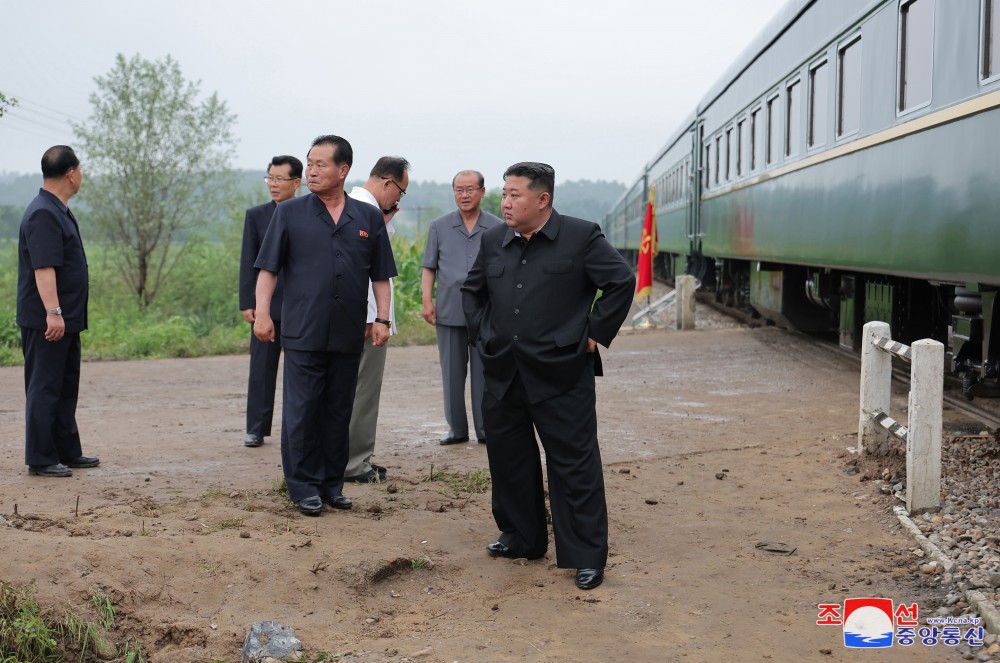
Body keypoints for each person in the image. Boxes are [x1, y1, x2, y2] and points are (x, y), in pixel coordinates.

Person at [461, 162, 635, 590]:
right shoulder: (492, 241)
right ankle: (521, 538)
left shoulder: (580, 236)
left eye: (515, 194)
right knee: (509, 462)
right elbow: (472, 291)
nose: (505, 202)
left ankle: (585, 556)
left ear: (543, 199)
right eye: (503, 193)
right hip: (504, 373)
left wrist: (594, 332)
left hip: (561, 375)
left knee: (574, 467)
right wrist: (485, 337)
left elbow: (620, 281)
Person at [252, 135, 396, 516]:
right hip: (302, 330)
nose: (311, 171)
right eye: (309, 163)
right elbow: (267, 269)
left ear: (343, 170)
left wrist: (382, 318)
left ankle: (332, 484)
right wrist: (263, 314)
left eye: (320, 164)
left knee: (338, 410)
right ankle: (302, 486)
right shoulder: (291, 213)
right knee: (302, 410)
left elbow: (380, 275)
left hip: (349, 331)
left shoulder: (366, 218)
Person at [16, 145, 100, 478]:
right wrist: (53, 311)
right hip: (48, 319)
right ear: (71, 173)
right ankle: (40, 457)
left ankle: (66, 450)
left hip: (66, 319)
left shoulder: (58, 208)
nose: (81, 175)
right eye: (80, 169)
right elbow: (44, 268)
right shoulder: (43, 213)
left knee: (65, 386)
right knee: (45, 386)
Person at [421, 170, 502, 445]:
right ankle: (457, 429)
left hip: (486, 312)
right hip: (449, 309)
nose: (464, 195)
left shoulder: (497, 227)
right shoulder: (439, 226)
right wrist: (427, 302)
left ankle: (484, 430)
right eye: (459, 190)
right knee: (452, 374)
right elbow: (429, 267)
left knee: (484, 374)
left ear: (482, 191)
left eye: (470, 189)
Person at [344, 156, 410, 483]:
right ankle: (356, 463)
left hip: (359, 315)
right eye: (400, 192)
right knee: (363, 392)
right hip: (368, 317)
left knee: (348, 391)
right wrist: (378, 318)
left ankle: (348, 459)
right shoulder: (365, 209)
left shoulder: (354, 205)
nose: (398, 199)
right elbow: (369, 268)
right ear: (387, 183)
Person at [238, 155, 302, 448]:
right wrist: (247, 302)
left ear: (296, 183)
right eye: (270, 178)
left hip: (300, 307)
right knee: (261, 371)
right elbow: (248, 262)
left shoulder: (308, 213)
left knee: (300, 372)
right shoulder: (256, 215)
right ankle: (256, 428)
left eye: (280, 179)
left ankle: (298, 429)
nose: (273, 185)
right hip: (266, 307)